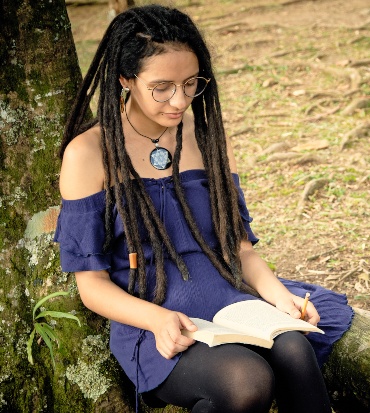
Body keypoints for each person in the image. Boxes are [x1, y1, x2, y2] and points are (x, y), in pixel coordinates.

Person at [54, 5, 353, 413]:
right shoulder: (89, 154)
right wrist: (157, 320)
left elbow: (241, 249)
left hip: (233, 301)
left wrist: (280, 298)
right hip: (155, 319)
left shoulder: (205, 136)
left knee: (296, 350)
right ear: (126, 79)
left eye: (191, 83)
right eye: (161, 87)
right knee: (246, 380)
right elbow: (91, 286)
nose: (180, 100)